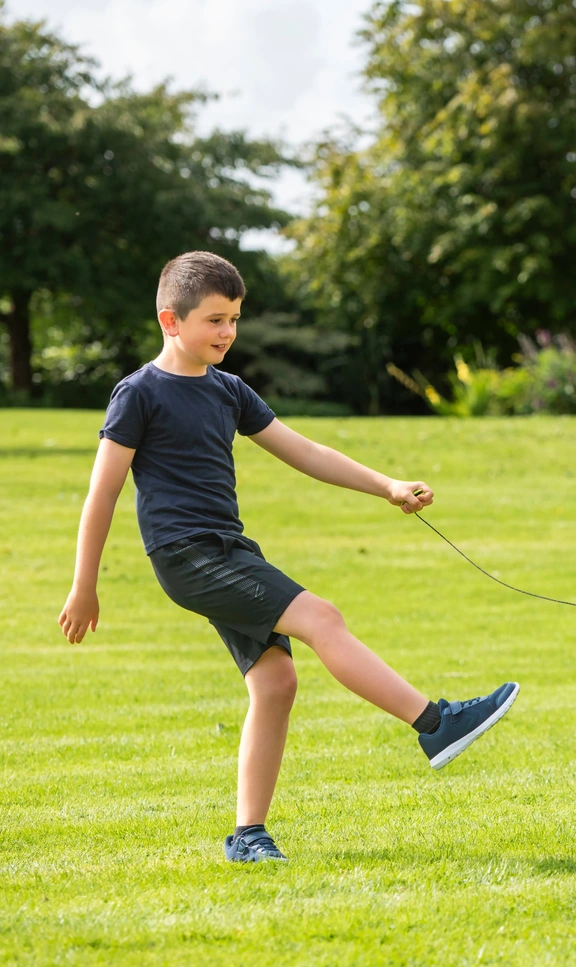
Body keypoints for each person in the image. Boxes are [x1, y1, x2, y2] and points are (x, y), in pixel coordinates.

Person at [57, 250, 519, 864]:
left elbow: (305, 451)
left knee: (276, 682)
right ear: (171, 321)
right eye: (214, 320)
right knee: (322, 617)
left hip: (228, 548)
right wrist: (84, 585)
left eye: (234, 319)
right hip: (186, 554)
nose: (228, 332)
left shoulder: (228, 391)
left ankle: (248, 836)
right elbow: (103, 493)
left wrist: (386, 485)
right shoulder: (139, 393)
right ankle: (436, 725)